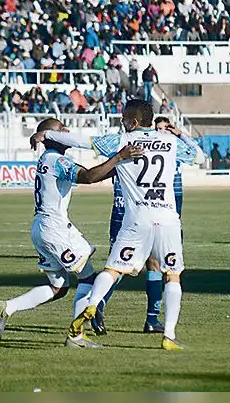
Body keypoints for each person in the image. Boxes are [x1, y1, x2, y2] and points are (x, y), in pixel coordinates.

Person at [39, 99, 198, 350]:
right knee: (172, 275)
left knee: (113, 269)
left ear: (133, 122)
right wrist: (181, 134)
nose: (122, 123)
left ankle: (93, 304)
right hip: (168, 217)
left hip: (136, 218)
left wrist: (46, 134)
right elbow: (196, 155)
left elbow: (82, 141)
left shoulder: (121, 141)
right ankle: (169, 335)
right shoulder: (169, 141)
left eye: (124, 119)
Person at [0, 118, 142, 347]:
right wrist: (118, 158)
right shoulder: (56, 160)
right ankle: (76, 336)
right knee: (88, 278)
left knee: (59, 288)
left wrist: (120, 166)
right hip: (55, 228)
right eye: (61, 129)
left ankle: (7, 307)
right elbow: (89, 177)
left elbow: (93, 173)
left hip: (42, 227)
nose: (67, 131)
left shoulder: (48, 158)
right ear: (52, 136)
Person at [93, 116, 200, 335]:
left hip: (157, 211)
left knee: (154, 264)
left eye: (165, 129)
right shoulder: (136, 146)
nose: (162, 132)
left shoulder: (167, 149)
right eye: (159, 128)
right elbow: (198, 155)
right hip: (131, 210)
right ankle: (98, 305)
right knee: (120, 266)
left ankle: (151, 319)